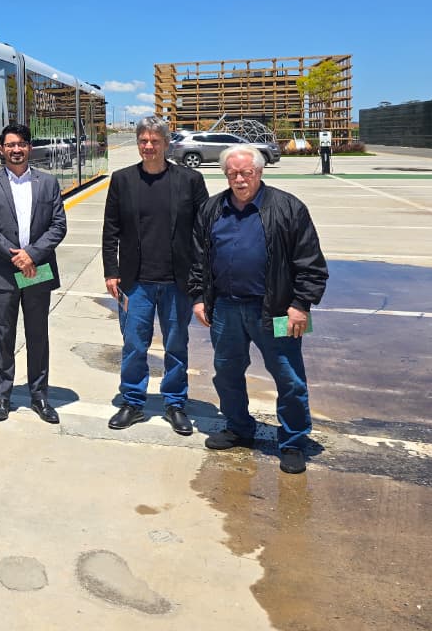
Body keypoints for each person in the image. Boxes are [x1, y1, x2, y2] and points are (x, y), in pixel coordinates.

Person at [189, 146, 328, 474]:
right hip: (225, 308)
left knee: (289, 377)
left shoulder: (288, 208)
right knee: (227, 373)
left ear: (259, 172)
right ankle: (239, 428)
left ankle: (293, 441)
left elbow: (310, 263)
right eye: (232, 173)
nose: (239, 179)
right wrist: (198, 297)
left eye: (246, 173)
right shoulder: (211, 209)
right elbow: (198, 259)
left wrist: (301, 305)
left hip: (276, 310)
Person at [101, 116, 208, 435]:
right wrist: (111, 271)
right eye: (143, 141)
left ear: (166, 144)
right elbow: (110, 229)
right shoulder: (122, 180)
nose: (148, 146)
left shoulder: (190, 180)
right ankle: (133, 402)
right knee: (134, 344)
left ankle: (175, 403)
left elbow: (203, 232)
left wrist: (201, 277)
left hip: (177, 282)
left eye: (154, 141)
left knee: (176, 344)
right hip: (135, 282)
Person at [0, 124, 67, 423]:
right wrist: (16, 256)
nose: (16, 150)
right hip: (4, 271)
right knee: (4, 334)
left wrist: (32, 255)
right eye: (10, 145)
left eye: (21, 144)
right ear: (1, 149)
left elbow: (58, 226)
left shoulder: (48, 183)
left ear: (29, 148)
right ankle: (2, 396)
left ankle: (39, 395)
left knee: (37, 334)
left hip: (37, 269)